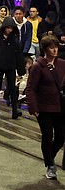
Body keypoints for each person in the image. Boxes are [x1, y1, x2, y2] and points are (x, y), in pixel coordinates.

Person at [26, 35, 65, 179]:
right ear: (45, 49)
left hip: (60, 107)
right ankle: (50, 165)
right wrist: (33, 107)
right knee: (47, 136)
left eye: (56, 47)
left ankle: (50, 157)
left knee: (61, 137)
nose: (55, 50)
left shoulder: (62, 64)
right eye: (51, 47)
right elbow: (31, 88)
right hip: (44, 108)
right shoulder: (38, 66)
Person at [0, 17, 26, 119]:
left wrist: (21, 69)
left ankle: (14, 110)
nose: (9, 30)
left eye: (11, 28)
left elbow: (19, 55)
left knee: (12, 89)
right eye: (8, 28)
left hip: (10, 66)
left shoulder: (14, 40)